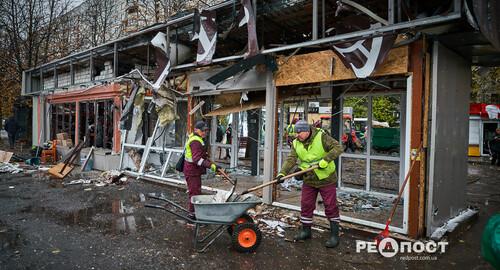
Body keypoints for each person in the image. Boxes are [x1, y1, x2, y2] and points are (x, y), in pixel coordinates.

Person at [276, 120, 343, 248]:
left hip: (326, 178)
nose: (297, 135)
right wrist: (282, 173)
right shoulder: (296, 143)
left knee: (330, 206)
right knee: (306, 204)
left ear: (307, 131)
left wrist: (326, 160)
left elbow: (338, 147)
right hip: (309, 179)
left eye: (300, 132)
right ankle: (306, 231)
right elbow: (291, 159)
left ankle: (335, 235)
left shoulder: (321, 137)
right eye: (296, 133)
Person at [183, 120, 221, 220]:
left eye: (206, 131)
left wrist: (213, 165)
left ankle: (195, 213)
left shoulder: (196, 138)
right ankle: (192, 216)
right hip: (192, 171)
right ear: (196, 129)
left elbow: (201, 156)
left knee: (196, 191)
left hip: (193, 170)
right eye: (202, 130)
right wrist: (212, 167)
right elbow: (197, 160)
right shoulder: (195, 141)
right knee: (194, 193)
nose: (204, 132)